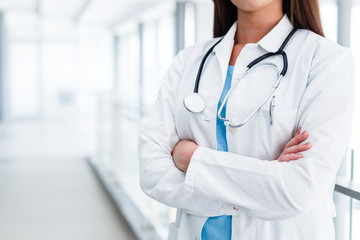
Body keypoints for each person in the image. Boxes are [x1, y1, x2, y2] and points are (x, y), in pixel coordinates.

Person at [138, 0, 355, 239]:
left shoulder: (326, 61)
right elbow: (152, 172)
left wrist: (191, 159)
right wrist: (260, 186)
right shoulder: (189, 60)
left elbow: (298, 189)